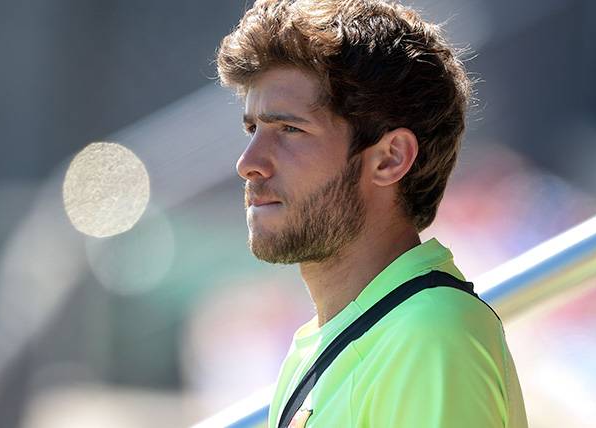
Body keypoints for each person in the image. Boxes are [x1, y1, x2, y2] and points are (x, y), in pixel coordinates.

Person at [216, 0, 528, 426]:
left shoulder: (430, 333)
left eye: (289, 129)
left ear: (390, 159)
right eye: (253, 129)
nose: (248, 162)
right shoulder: (323, 341)